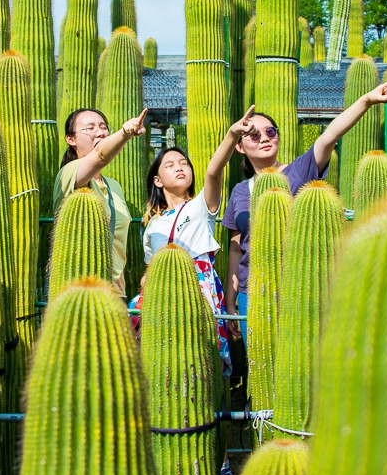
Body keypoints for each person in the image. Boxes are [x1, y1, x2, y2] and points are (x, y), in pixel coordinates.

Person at [222, 77, 387, 342]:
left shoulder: (300, 171)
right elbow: (237, 248)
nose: (264, 138)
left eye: (271, 131)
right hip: (254, 293)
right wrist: (231, 299)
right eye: (254, 135)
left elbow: (330, 135)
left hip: (300, 288)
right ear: (239, 146)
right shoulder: (239, 191)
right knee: (260, 370)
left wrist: (366, 100)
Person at [129, 106, 259, 378]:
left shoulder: (201, 206)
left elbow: (213, 172)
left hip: (198, 290)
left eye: (184, 163)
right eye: (170, 165)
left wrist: (232, 134)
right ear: (157, 180)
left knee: (198, 359)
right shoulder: (153, 223)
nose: (179, 168)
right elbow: (150, 266)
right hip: (161, 291)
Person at [53, 107, 148, 298]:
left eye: (103, 126)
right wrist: (125, 133)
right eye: (90, 128)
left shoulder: (114, 186)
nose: (99, 132)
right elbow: (100, 156)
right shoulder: (68, 174)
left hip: (114, 293)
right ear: (70, 139)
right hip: (78, 292)